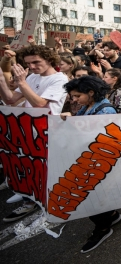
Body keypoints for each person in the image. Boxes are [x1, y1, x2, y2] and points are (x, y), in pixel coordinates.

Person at [0, 45, 69, 222]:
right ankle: (29, 201)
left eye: (36, 62)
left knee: (44, 169)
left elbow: (39, 104)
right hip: (26, 129)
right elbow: (10, 99)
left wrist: (22, 83)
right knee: (26, 165)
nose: (32, 66)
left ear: (49, 59)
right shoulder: (31, 77)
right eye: (28, 63)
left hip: (46, 131)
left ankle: (50, 202)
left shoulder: (59, 79)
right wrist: (1, 78)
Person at [60, 76, 121, 253]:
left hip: (97, 162)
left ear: (91, 92)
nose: (74, 100)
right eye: (72, 97)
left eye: (77, 96)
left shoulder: (105, 111)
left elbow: (101, 140)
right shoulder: (87, 107)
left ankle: (102, 228)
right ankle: (112, 215)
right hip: (88, 160)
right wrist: (69, 119)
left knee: (88, 198)